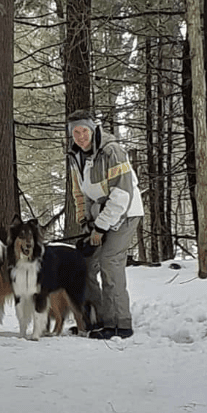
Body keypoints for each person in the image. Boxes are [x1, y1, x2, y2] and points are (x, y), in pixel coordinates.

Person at [67, 111, 143, 339]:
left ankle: (119, 323)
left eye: (84, 131)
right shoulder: (77, 156)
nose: (81, 136)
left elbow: (121, 194)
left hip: (125, 213)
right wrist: (86, 223)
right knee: (88, 264)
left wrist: (100, 228)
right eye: (75, 132)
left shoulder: (112, 152)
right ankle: (95, 319)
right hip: (100, 217)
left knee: (110, 262)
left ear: (94, 129)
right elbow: (81, 194)